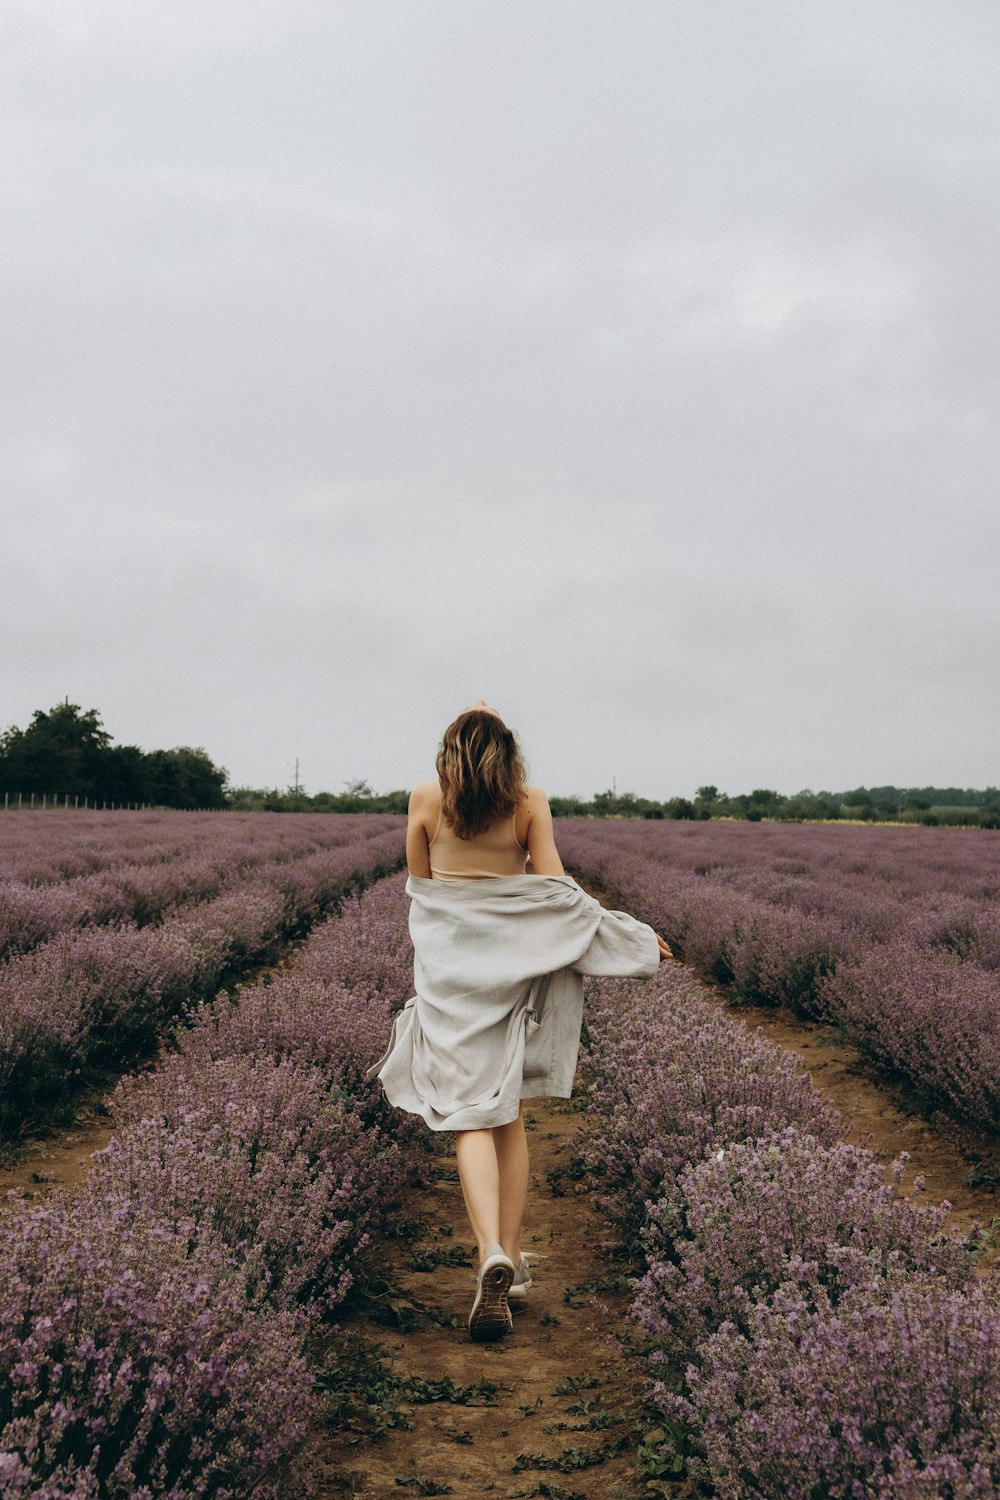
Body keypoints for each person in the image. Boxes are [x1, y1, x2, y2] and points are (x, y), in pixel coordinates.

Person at [368, 700, 672, 1340]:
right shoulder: (528, 802)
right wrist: (634, 938)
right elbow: (556, 899)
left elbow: (424, 892)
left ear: (450, 750)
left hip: (452, 982)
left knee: (465, 1112)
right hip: (510, 979)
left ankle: (491, 1255)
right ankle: (505, 1248)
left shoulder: (426, 799)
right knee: (505, 1111)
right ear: (507, 752)